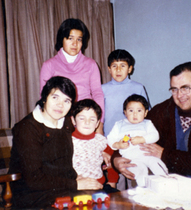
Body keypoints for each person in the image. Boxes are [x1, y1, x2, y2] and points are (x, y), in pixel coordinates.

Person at [8, 76, 102, 209]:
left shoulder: (67, 123)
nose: (60, 105)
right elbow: (33, 179)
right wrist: (75, 185)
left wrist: (109, 155)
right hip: (33, 195)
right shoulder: (27, 128)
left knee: (111, 197)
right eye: (55, 97)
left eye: (67, 100)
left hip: (64, 188)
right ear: (45, 97)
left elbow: (86, 141)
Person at [40, 18, 104, 134]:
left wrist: (99, 123)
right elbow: (45, 98)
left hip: (87, 119)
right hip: (60, 118)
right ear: (62, 39)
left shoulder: (91, 64)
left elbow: (97, 93)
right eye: (70, 38)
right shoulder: (49, 65)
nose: (75, 44)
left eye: (79, 39)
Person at [102, 49, 150, 189]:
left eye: (123, 65)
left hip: (134, 140)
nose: (118, 69)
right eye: (114, 66)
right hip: (111, 140)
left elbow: (147, 114)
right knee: (116, 178)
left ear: (130, 69)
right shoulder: (102, 89)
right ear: (109, 69)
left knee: (135, 175)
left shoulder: (138, 87)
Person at [107, 94, 167, 187]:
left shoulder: (147, 123)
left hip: (148, 154)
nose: (135, 114)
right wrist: (118, 145)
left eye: (139, 111)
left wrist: (142, 139)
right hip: (131, 158)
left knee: (156, 165)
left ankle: (165, 182)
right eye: (131, 111)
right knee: (139, 173)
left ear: (145, 113)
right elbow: (110, 138)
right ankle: (142, 189)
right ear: (125, 112)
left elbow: (155, 136)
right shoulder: (119, 125)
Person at [71, 99, 119, 190]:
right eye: (82, 118)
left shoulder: (101, 140)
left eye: (92, 119)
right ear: (73, 120)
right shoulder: (68, 141)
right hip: (77, 186)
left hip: (99, 186)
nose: (87, 122)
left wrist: (112, 181)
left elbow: (112, 161)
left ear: (97, 123)